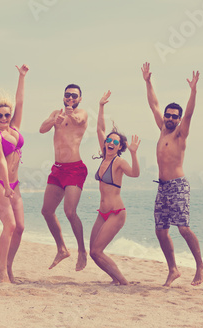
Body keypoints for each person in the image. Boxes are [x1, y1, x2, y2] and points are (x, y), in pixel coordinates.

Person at [142, 62, 203, 286]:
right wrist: (148, 81)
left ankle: (200, 265)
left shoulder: (180, 134)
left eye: (173, 116)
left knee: (183, 228)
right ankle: (173, 269)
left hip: (178, 185)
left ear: (178, 119)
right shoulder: (162, 129)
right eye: (168, 115)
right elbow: (154, 104)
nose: (169, 118)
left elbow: (189, 113)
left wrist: (194, 91)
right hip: (162, 186)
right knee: (161, 231)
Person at [90, 90, 140, 285]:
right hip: (102, 212)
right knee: (93, 252)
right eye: (109, 141)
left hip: (116, 212)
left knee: (96, 251)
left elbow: (135, 174)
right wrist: (101, 106)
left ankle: (123, 282)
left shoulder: (119, 162)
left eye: (115, 142)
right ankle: (115, 279)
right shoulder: (104, 157)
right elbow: (99, 129)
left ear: (120, 147)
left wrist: (134, 154)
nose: (110, 143)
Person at [0, 64, 29, 283]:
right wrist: (7, 185)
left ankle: (9, 267)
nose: (4, 118)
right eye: (0, 115)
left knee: (20, 227)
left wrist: (21, 77)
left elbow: (20, 102)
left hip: (15, 184)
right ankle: (1, 269)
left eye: (7, 115)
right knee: (9, 225)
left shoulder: (14, 128)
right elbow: (1, 160)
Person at [39, 84, 89, 271]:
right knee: (46, 211)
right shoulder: (56, 113)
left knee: (70, 212)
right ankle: (62, 249)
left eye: (74, 96)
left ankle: (82, 251)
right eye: (68, 95)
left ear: (79, 99)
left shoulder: (81, 113)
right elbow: (42, 129)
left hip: (75, 169)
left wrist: (69, 114)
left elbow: (77, 120)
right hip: (57, 169)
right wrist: (55, 120)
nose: (70, 98)